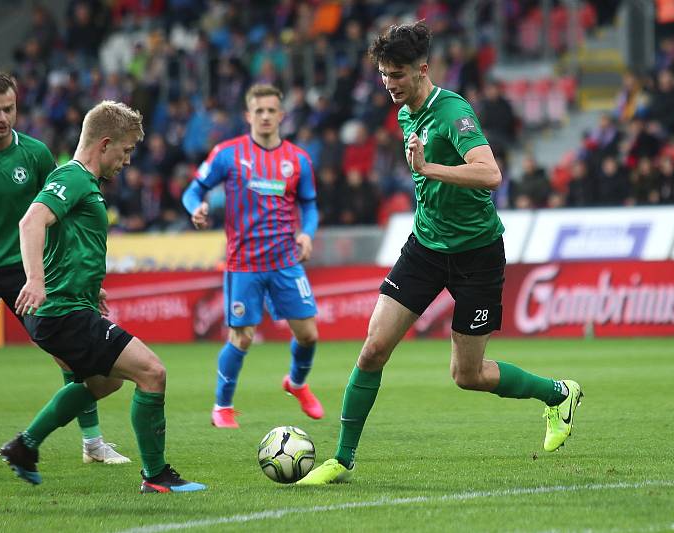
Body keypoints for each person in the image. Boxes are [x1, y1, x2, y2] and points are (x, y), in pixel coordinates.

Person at [298, 21, 583, 485]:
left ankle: (558, 394)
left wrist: (429, 168)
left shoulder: (451, 111)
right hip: (426, 246)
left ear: (423, 70)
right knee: (372, 350)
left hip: (476, 253)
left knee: (467, 375)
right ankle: (342, 459)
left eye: (398, 75)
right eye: (384, 75)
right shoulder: (404, 112)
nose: (389, 85)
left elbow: (490, 174)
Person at [0, 100, 205, 494]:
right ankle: (156, 476)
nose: (127, 161)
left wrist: (90, 285)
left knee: (106, 383)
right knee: (152, 373)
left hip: (69, 306)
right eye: (125, 151)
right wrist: (35, 280)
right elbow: (31, 221)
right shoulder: (73, 177)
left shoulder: (82, 183)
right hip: (62, 313)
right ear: (104, 143)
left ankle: (24, 446)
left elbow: (67, 240)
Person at [0, 72, 129, 465]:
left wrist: (77, 279)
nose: (2, 118)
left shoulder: (36, 155)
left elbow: (58, 216)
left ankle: (92, 445)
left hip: (26, 270)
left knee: (69, 357)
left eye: (9, 109)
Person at [182, 83, 323, 429]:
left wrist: (307, 233)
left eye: (271, 110)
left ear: (281, 115)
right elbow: (194, 189)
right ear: (248, 115)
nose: (264, 116)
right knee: (241, 337)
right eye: (258, 110)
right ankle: (222, 406)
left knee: (309, 335)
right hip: (244, 264)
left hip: (286, 261)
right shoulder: (227, 154)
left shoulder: (298, 159)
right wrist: (196, 207)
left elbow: (309, 205)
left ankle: (297, 383)